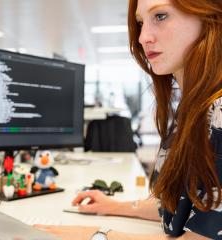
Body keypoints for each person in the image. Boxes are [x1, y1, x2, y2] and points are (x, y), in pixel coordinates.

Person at [35, 0, 222, 239]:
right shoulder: (194, 110)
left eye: (161, 16)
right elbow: (183, 209)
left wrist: (97, 235)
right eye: (141, 23)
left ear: (208, 17)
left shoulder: (219, 113)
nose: (143, 37)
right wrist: (113, 207)